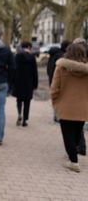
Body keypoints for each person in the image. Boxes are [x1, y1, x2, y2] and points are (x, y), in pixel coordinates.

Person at [51, 43, 88, 172]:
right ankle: (74, 153)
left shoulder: (61, 67)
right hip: (83, 107)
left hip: (65, 106)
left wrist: (55, 102)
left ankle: (73, 162)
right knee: (78, 133)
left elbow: (55, 88)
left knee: (67, 135)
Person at [11, 41, 38, 127]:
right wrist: (35, 84)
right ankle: (25, 120)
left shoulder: (17, 56)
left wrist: (12, 81)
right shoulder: (32, 57)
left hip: (18, 81)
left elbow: (13, 69)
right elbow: (35, 72)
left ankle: (19, 114)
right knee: (27, 101)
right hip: (29, 82)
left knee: (19, 99)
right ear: (29, 47)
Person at [47, 40, 71, 123]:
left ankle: (56, 115)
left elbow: (49, 68)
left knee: (55, 97)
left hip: (51, 78)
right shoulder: (61, 56)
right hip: (58, 79)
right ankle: (57, 116)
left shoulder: (53, 55)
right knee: (59, 98)